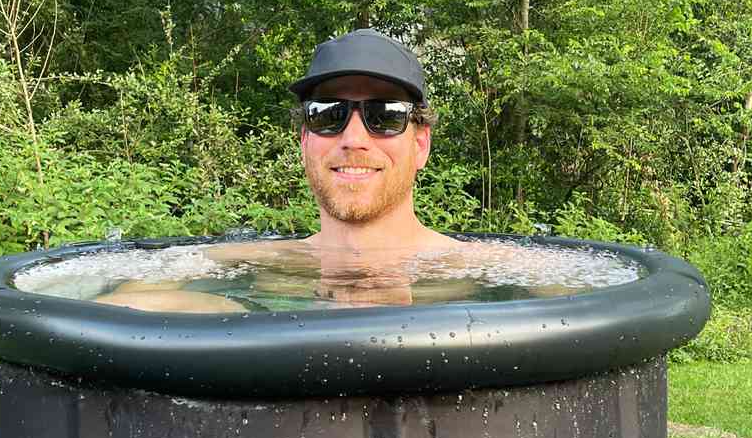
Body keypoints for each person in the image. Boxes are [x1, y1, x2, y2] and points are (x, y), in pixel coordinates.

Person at [97, 30, 472, 311]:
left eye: (385, 115)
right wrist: (232, 315)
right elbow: (110, 314)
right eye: (328, 114)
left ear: (421, 144)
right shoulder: (251, 262)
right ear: (305, 140)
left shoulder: (486, 269)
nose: (353, 138)